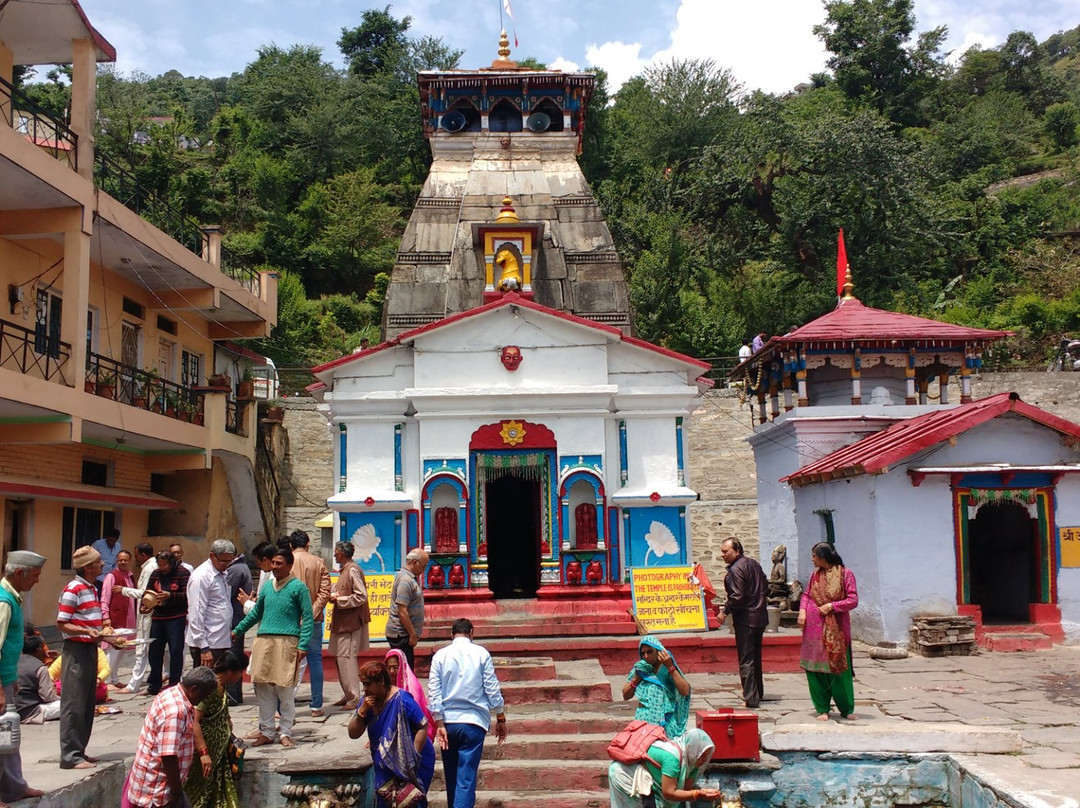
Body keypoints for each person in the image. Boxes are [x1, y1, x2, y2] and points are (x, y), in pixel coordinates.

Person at [231, 547, 313, 748]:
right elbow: (256, 613)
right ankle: (266, 731)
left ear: (289, 565)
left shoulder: (298, 588)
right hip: (264, 642)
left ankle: (285, 731)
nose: (274, 567)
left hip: (287, 643)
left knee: (285, 690)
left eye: (279, 564)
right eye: (273, 563)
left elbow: (308, 618)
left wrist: (303, 645)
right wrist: (238, 630)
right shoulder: (267, 587)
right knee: (263, 689)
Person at [427, 618, 506, 808]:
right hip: (473, 723)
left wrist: (438, 722)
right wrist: (500, 716)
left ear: (451, 634)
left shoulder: (440, 655)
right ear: (472, 632)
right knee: (466, 778)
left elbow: (433, 691)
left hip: (448, 723)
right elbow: (492, 688)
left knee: (452, 776)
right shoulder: (481, 654)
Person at [56, 545, 122, 769]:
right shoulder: (73, 588)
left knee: (86, 702)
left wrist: (106, 635)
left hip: (90, 648)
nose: (102, 564)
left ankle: (80, 751)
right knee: (74, 703)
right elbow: (62, 622)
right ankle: (70, 755)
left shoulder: (91, 588)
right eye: (97, 562)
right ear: (87, 567)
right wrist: (85, 631)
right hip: (76, 650)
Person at [123, 666, 217, 808]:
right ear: (194, 689)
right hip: (156, 791)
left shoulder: (172, 693)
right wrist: (177, 793)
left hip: (158, 785)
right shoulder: (176, 711)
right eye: (204, 695)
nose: (204, 700)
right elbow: (168, 755)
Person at [347, 661, 435, 808]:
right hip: (383, 765)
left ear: (381, 682)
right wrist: (361, 712)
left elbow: (422, 726)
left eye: (368, 684)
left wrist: (411, 759)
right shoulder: (367, 702)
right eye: (363, 684)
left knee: (409, 802)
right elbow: (353, 733)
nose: (365, 689)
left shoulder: (402, 699)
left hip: (412, 764)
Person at [0, 551, 47, 802]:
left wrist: (12, 677)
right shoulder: (4, 601)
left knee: (9, 737)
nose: (37, 581)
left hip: (6, 677)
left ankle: (14, 786)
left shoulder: (12, 598)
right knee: (1, 737)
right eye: (35, 576)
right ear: (20, 573)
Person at [798, 542, 859, 721]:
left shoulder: (845, 574)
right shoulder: (815, 575)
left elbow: (853, 599)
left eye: (814, 556)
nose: (812, 559)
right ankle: (822, 708)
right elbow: (807, 595)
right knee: (815, 671)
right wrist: (802, 610)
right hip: (813, 631)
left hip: (837, 631)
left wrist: (832, 605)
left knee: (839, 669)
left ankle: (846, 708)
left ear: (823, 558)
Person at [184, 651, 247, 808]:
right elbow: (195, 721)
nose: (241, 676)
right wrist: (204, 753)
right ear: (231, 671)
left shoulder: (222, 685)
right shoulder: (210, 688)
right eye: (240, 672)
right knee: (197, 795)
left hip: (218, 752)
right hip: (204, 753)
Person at [608, 728, 722, 808]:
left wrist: (703, 793)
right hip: (625, 775)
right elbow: (669, 793)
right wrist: (698, 794)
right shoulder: (672, 760)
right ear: (692, 749)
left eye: (707, 755)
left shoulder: (692, 764)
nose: (705, 759)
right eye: (702, 755)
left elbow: (685, 791)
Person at [718, 537, 769, 709]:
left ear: (737, 551)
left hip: (746, 619)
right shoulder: (753, 564)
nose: (722, 554)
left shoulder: (736, 570)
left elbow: (737, 596)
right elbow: (765, 583)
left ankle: (751, 698)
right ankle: (758, 692)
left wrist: (725, 611)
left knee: (746, 659)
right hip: (759, 616)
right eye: (722, 551)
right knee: (756, 657)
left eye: (726, 551)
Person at [288, 531, 330, 717]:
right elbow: (325, 592)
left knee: (288, 662)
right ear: (308, 543)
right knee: (315, 661)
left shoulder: (286, 563)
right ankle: (316, 705)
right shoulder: (318, 562)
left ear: (290, 546)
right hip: (313, 620)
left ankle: (284, 706)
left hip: (290, 620)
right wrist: (312, 612)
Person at [621, 636, 691, 738]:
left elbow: (685, 691)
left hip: (666, 719)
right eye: (642, 653)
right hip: (644, 718)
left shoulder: (666, 668)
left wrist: (670, 667)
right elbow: (625, 695)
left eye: (649, 652)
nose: (645, 656)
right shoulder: (641, 668)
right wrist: (636, 679)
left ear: (659, 652)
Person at [329, 540, 370, 711]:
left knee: (347, 659)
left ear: (342, 553)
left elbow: (361, 596)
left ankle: (354, 697)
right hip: (343, 621)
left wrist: (340, 600)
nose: (334, 554)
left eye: (336, 552)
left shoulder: (352, 570)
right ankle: (348, 694)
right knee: (340, 658)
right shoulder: (345, 570)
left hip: (351, 622)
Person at [185, 540, 237, 670]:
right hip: (207, 643)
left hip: (220, 639)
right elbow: (196, 612)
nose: (226, 565)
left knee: (218, 684)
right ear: (212, 556)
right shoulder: (201, 576)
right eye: (223, 561)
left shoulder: (222, 574)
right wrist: (203, 646)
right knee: (206, 684)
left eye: (229, 561)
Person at [147, 549, 191, 696]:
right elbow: (147, 592)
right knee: (154, 652)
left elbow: (187, 595)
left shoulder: (183, 573)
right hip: (158, 617)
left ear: (172, 563)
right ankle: (154, 684)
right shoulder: (155, 574)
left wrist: (170, 596)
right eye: (159, 565)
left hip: (176, 618)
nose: (162, 568)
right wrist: (146, 604)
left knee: (175, 651)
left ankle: (174, 683)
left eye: (164, 565)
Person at [120, 542, 157, 694]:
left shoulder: (149, 568)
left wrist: (123, 590)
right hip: (148, 613)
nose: (135, 559)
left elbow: (143, 592)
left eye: (136, 556)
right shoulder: (149, 567)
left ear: (143, 555)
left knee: (141, 647)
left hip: (147, 613)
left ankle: (134, 683)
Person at [384, 549, 430, 670]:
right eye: (423, 566)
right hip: (400, 634)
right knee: (405, 671)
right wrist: (412, 634)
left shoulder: (410, 578)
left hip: (404, 634)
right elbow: (402, 611)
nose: (424, 570)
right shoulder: (405, 581)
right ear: (415, 562)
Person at [222, 544, 253, 705]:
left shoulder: (235, 570)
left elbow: (226, 593)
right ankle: (236, 695)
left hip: (235, 618)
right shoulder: (242, 567)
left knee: (232, 657)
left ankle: (232, 696)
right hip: (238, 617)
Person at [385, 648, 436, 742]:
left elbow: (416, 719)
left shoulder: (411, 687)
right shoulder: (386, 685)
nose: (391, 671)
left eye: (395, 667)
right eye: (388, 668)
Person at [102, 549, 135, 688]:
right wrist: (105, 617)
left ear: (130, 561)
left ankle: (115, 679)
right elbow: (105, 597)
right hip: (116, 617)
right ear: (116, 561)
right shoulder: (112, 576)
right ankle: (107, 679)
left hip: (129, 617)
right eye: (120, 560)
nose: (122, 562)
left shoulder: (131, 576)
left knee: (122, 648)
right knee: (113, 649)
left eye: (125, 560)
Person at [17, 631, 60, 725]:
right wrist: (59, 698)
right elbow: (47, 696)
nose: (45, 650)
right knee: (69, 705)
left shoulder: (15, 662)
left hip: (12, 709)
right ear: (38, 649)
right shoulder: (40, 667)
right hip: (31, 711)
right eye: (43, 647)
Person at [91, 529, 123, 594]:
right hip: (97, 578)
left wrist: (114, 576)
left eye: (113, 541)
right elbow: (91, 559)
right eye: (110, 540)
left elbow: (116, 563)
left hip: (109, 578)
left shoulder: (118, 546)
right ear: (106, 538)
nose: (111, 543)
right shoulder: (98, 544)